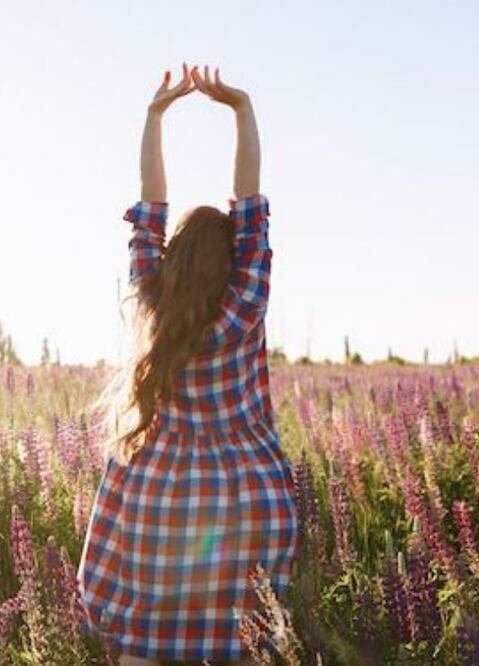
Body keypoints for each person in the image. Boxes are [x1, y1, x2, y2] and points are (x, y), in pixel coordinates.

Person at [77, 63, 298, 665]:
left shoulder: (152, 299)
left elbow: (149, 208)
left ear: (172, 260)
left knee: (143, 637)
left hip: (161, 497)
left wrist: (155, 116)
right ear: (232, 260)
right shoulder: (246, 304)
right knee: (244, 640)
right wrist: (241, 109)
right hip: (250, 500)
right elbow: (252, 208)